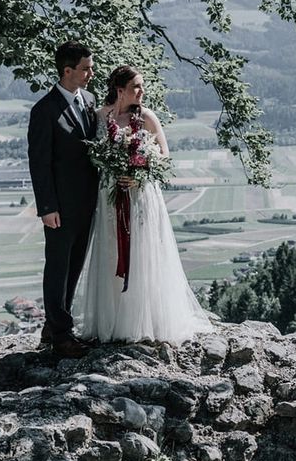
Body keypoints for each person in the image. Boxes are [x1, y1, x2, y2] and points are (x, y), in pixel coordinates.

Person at [75, 65, 213, 343]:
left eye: (142, 86)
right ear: (120, 89)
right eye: (137, 86)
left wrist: (140, 169)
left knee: (143, 251)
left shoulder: (147, 117)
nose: (142, 91)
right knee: (111, 249)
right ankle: (112, 321)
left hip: (140, 193)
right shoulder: (99, 117)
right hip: (109, 195)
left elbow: (164, 154)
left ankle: (144, 320)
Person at [26, 41, 99, 358]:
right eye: (85, 68)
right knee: (57, 268)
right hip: (59, 208)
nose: (91, 74)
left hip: (88, 203)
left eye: (91, 67)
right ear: (67, 70)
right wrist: (47, 207)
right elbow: (39, 162)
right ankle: (61, 336)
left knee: (75, 267)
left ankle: (54, 327)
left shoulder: (91, 101)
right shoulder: (44, 110)